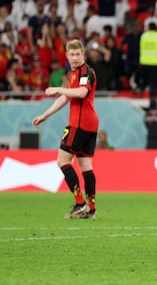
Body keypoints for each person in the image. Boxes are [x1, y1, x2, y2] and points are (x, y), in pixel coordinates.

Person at [32, 39, 99, 219]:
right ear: (67, 56)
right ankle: (91, 210)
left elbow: (81, 93)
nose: (75, 58)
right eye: (72, 55)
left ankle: (80, 204)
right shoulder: (73, 73)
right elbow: (66, 98)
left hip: (79, 124)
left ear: (83, 54)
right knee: (85, 167)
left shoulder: (86, 72)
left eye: (78, 54)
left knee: (62, 161)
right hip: (89, 124)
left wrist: (58, 89)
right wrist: (45, 115)